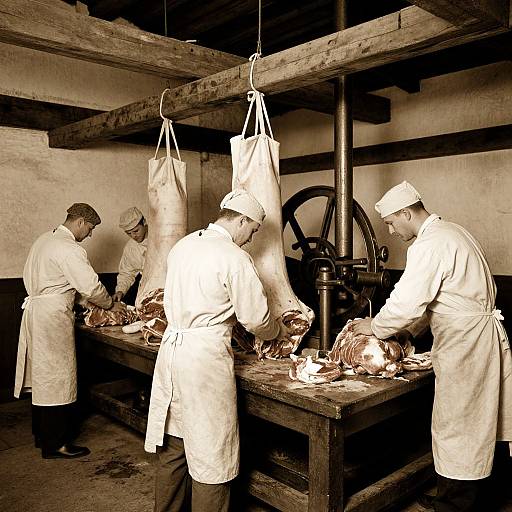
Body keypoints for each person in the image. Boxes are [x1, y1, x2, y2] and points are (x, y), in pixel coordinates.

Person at [351, 181, 512, 512]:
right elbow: (444, 299)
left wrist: (376, 326)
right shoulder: (454, 233)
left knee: (458, 425)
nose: (392, 232)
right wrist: (410, 333)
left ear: (407, 213)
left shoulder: (428, 245)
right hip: (478, 336)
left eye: (392, 223)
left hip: (466, 344)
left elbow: (408, 302)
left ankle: (454, 505)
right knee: (481, 421)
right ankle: (467, 495)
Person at [145, 189, 291, 512]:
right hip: (204, 360)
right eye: (252, 230)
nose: (251, 238)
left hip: (173, 354)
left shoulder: (183, 246)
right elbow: (255, 319)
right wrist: (277, 330)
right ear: (241, 220)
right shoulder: (234, 258)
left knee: (175, 446)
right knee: (213, 455)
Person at [14, 203, 124, 459]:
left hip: (38, 312)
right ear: (80, 223)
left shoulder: (45, 239)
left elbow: (56, 283)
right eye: (91, 228)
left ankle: (42, 436)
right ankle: (57, 444)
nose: (90, 235)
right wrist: (110, 305)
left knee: (44, 377)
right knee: (57, 378)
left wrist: (83, 303)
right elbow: (91, 286)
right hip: (52, 318)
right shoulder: (69, 248)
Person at [113, 206, 148, 303]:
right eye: (129, 233)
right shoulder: (130, 248)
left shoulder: (161, 237)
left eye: (136, 231)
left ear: (144, 222)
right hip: (148, 290)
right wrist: (120, 290)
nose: (133, 236)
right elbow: (126, 273)